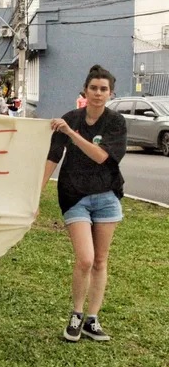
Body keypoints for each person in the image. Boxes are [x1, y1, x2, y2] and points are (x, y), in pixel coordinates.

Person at [41, 65, 126, 343]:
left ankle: (92, 319)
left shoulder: (115, 122)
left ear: (110, 93)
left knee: (100, 261)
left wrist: (73, 134)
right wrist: (36, 192)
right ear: (85, 91)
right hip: (74, 196)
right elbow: (53, 157)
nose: (98, 93)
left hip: (107, 197)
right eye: (93, 88)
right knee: (85, 259)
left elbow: (102, 157)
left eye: (103, 89)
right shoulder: (70, 118)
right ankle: (76, 313)